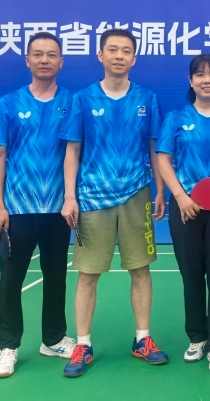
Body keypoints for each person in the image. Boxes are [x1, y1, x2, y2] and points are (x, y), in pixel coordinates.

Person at [59, 28, 168, 377]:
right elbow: (72, 151)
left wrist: (161, 190)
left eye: (126, 51)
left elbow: (155, 148)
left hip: (138, 193)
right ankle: (83, 344)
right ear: (100, 55)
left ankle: (143, 339)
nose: (119, 55)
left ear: (134, 58)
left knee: (141, 269)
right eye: (113, 50)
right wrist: (70, 197)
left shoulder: (147, 98)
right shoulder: (82, 99)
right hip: (93, 197)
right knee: (88, 274)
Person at [0, 32, 75, 378]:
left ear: (61, 62)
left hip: (57, 210)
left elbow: (73, 152)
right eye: (38, 54)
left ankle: (53, 338)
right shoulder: (7, 104)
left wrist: (71, 199)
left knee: (56, 277)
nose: (44, 60)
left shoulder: (71, 103)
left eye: (51, 55)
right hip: (17, 210)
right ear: (27, 60)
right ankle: (7, 346)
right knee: (11, 280)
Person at [155, 54, 210, 374]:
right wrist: (180, 197)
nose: (207, 80)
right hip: (186, 209)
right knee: (191, 276)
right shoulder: (176, 118)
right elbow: (163, 159)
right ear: (191, 81)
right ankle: (197, 337)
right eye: (200, 75)